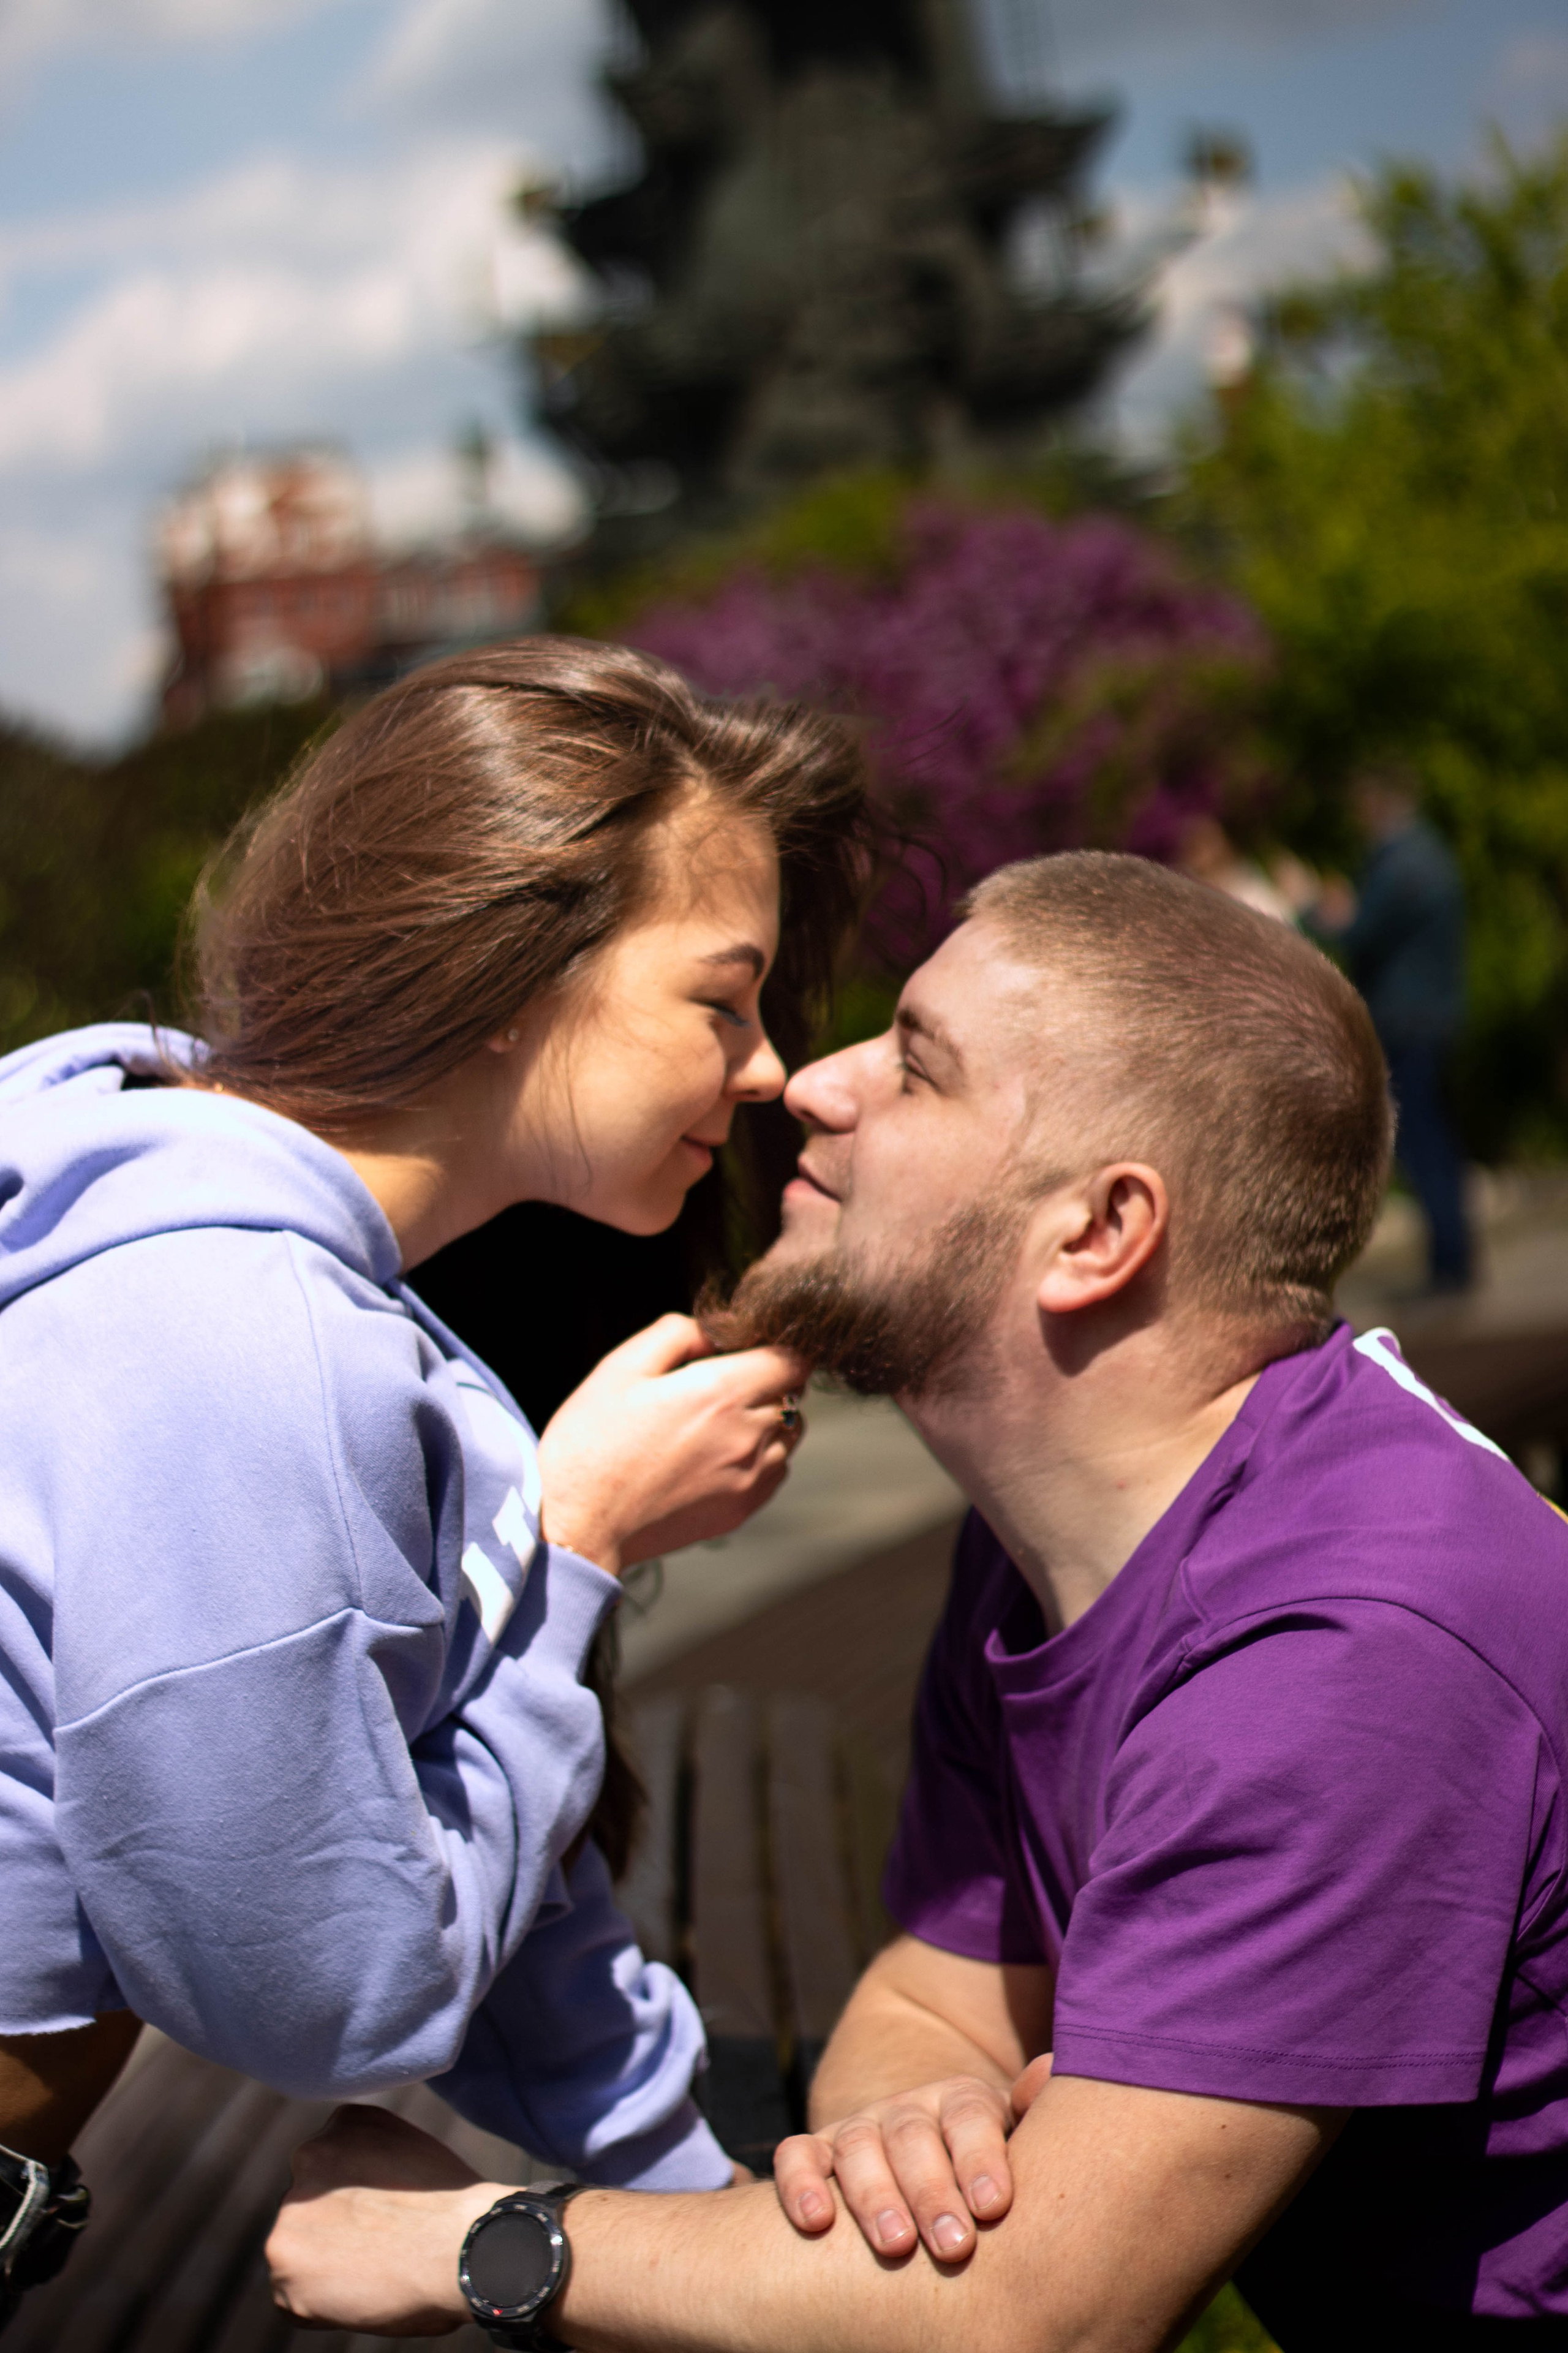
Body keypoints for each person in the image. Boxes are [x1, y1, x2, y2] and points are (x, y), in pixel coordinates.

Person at [268, 851, 1568, 2349]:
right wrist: (912, 2129)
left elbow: (1039, 2316)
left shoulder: (1340, 1646)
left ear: (1095, 1231)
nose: (811, 1081)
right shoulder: (1069, 1529)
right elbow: (944, 1996)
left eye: (916, 1066)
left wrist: (473, 2241)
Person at [0, 637, 873, 2321]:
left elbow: (483, 1879)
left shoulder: (245, 1258)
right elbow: (328, 1999)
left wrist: (727, 2228)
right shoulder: (230, 1335)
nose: (766, 1069)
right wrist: (580, 1540)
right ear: (517, 964)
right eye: (723, 997)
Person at [1302, 766, 1472, 1294]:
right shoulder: (1430, 854)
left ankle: (1450, 1265)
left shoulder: (1403, 865)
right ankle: (1452, 1259)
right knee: (1427, 1136)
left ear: (1379, 805)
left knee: (1419, 1140)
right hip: (1430, 1015)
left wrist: (1311, 907)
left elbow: (1358, 931)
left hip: (1405, 1019)